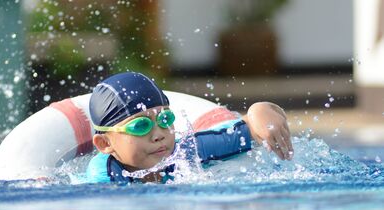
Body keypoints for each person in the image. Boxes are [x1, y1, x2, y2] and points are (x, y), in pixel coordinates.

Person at [85, 72, 293, 184]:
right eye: (140, 126)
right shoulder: (103, 176)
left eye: (165, 119)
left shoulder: (185, 152)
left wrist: (261, 110)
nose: (158, 135)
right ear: (105, 143)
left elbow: (251, 127)